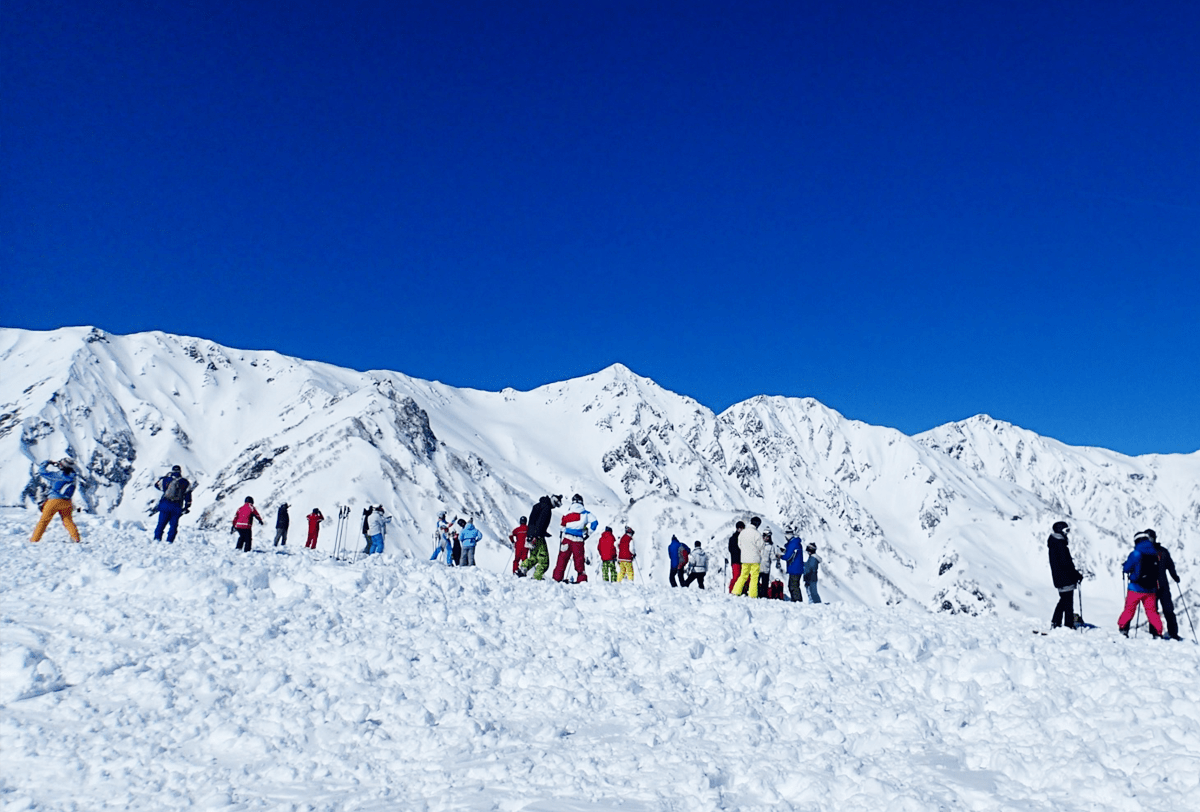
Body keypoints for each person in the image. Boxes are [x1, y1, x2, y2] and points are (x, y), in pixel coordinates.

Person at [1118, 530, 1164, 637]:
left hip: (1135, 588)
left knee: (1129, 609)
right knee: (1152, 612)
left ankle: (1123, 628)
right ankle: (1158, 632)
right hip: (1151, 589)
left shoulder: (1136, 553)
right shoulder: (1155, 554)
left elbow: (1126, 568)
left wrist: (1125, 565)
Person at [29, 459, 82, 543]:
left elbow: (41, 471)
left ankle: (34, 539)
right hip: (67, 502)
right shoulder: (73, 476)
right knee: (68, 520)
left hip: (53, 501)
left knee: (43, 521)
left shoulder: (56, 475)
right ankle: (76, 539)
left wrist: (47, 462)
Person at [1046, 521, 1083, 629]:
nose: (1067, 533)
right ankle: (1068, 625)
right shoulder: (1060, 545)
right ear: (1060, 530)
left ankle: (1056, 622)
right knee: (1068, 602)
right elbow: (1066, 564)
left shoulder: (1055, 543)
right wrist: (1076, 575)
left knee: (1063, 600)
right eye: (1066, 530)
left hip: (1059, 577)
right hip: (1065, 577)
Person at [553, 494, 596, 583]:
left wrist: (567, 530)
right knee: (579, 561)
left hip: (567, 539)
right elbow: (595, 522)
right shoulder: (586, 513)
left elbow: (561, 527)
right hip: (578, 541)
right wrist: (588, 533)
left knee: (562, 559)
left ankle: (556, 579)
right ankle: (581, 580)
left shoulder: (567, 513)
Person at [1150, 531, 1184, 641]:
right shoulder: (1161, 551)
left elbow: (1170, 565)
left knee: (1167, 610)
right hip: (1154, 586)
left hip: (1159, 586)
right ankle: (1157, 633)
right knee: (1155, 610)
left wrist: (1174, 575)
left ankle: (1170, 633)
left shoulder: (1161, 552)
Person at [523, 494, 562, 580]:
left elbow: (533, 521)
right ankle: (537, 576)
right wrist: (538, 534)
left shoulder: (537, 505)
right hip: (538, 536)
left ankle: (522, 569)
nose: (555, 507)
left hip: (530, 534)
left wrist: (531, 534)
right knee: (544, 561)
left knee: (533, 557)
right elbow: (541, 523)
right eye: (556, 504)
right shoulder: (547, 508)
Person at [152, 464, 192, 543]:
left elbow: (156, 485)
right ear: (180, 471)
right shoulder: (185, 482)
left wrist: (166, 477)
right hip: (177, 506)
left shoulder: (166, 480)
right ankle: (169, 541)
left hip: (165, 504)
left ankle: (157, 540)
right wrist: (187, 506)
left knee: (161, 524)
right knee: (173, 526)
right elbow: (188, 495)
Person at [732, 518, 764, 597]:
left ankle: (736, 591)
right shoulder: (757, 534)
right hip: (755, 559)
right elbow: (761, 546)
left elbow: (739, 545)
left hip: (744, 559)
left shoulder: (742, 533)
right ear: (757, 524)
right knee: (754, 577)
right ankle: (752, 595)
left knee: (743, 575)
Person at [783, 530, 805, 602]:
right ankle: (796, 600)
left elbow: (788, 556)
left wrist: (780, 556)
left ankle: (797, 601)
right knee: (793, 585)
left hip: (794, 568)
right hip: (797, 568)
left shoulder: (793, 544)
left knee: (793, 586)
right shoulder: (796, 543)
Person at [758, 530, 777, 599]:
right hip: (758, 566)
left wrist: (776, 557)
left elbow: (772, 556)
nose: (766, 538)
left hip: (766, 567)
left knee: (765, 583)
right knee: (756, 582)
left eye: (768, 537)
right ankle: (757, 594)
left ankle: (764, 596)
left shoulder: (771, 546)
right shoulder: (759, 544)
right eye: (765, 536)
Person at [728, 521, 745, 593]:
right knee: (736, 576)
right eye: (740, 528)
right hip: (736, 560)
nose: (741, 530)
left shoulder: (744, 538)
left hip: (743, 560)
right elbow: (731, 549)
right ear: (737, 528)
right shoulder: (733, 538)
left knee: (743, 576)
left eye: (742, 528)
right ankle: (732, 590)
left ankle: (741, 590)